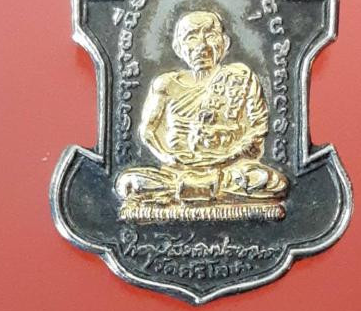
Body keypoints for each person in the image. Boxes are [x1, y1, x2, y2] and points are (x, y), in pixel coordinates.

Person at [115, 11, 287, 206]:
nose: (202, 46)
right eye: (191, 37)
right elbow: (148, 132)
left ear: (225, 43)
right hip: (176, 172)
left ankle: (189, 191)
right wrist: (168, 158)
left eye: (210, 35)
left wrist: (235, 150)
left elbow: (258, 127)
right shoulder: (165, 84)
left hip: (228, 171)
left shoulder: (240, 77)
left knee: (273, 182)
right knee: (128, 183)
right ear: (178, 48)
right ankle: (193, 189)